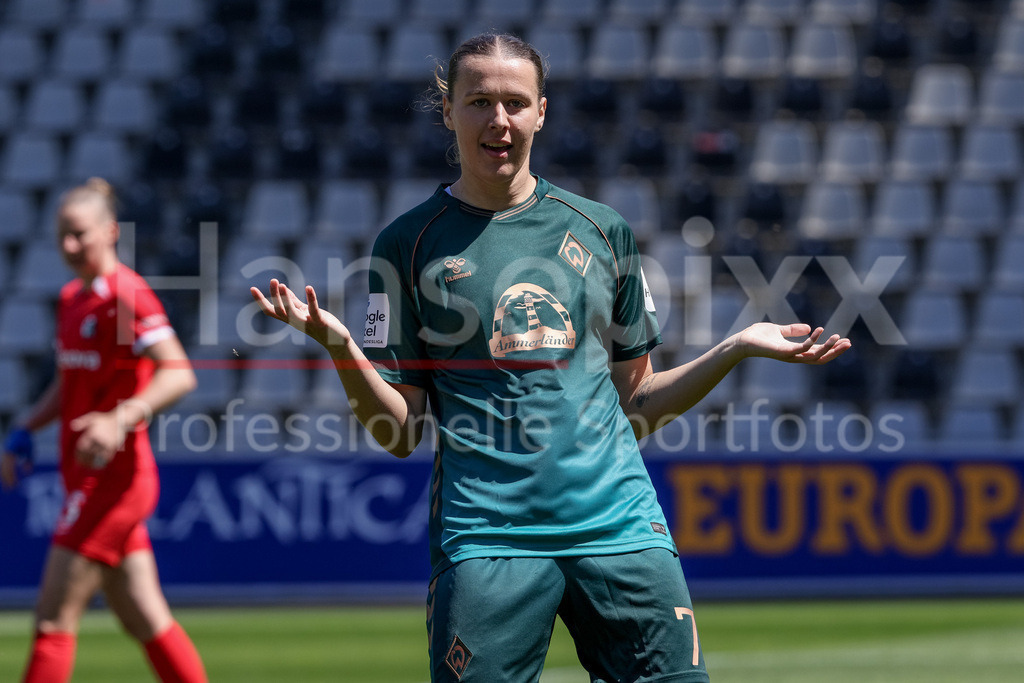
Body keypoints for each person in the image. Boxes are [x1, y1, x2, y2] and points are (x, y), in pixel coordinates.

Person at [252, 33, 851, 682]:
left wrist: (735, 346)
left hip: (620, 526)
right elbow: (399, 431)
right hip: (489, 537)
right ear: (448, 110)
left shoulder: (601, 230)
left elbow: (637, 402)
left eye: (515, 102)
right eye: (480, 101)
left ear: (542, 111)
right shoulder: (406, 243)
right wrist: (342, 350)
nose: (498, 120)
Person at [1, 178, 208, 683]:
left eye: (79, 235)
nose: (69, 247)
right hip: (85, 475)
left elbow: (179, 372)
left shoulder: (127, 295)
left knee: (53, 618)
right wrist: (26, 426)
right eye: (62, 236)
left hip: (113, 483)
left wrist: (120, 417)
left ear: (111, 231)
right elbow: (69, 381)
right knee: (147, 620)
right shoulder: (74, 298)